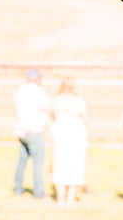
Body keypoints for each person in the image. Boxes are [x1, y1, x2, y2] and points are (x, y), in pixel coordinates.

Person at [13, 69, 52, 200]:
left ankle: (18, 188)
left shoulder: (20, 91)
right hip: (34, 130)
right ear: (37, 79)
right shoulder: (38, 91)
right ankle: (39, 192)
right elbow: (48, 107)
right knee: (38, 163)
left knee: (22, 162)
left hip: (22, 131)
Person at [50, 78, 88, 206]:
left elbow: (52, 117)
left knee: (59, 164)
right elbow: (85, 119)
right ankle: (70, 198)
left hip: (60, 136)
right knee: (75, 165)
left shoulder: (56, 100)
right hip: (75, 135)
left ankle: (60, 198)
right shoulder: (78, 101)